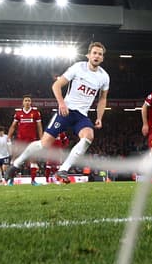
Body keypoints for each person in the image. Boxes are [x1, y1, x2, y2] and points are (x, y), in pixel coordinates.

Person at [9, 42, 110, 184]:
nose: (97, 56)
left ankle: (63, 170)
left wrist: (99, 117)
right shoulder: (77, 67)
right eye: (94, 53)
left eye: (100, 54)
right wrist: (61, 103)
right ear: (88, 55)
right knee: (43, 144)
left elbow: (103, 99)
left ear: (102, 58)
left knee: (88, 136)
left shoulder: (104, 77)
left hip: (81, 116)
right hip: (66, 111)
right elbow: (56, 85)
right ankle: (16, 165)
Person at [6, 95, 43, 185]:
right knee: (14, 159)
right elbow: (13, 126)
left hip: (32, 140)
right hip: (20, 140)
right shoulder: (18, 113)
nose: (27, 102)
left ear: (31, 102)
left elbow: (39, 127)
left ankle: (33, 181)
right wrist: (9, 136)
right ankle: (11, 180)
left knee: (33, 160)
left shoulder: (36, 113)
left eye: (29, 100)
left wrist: (42, 138)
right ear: (23, 102)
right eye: (25, 100)